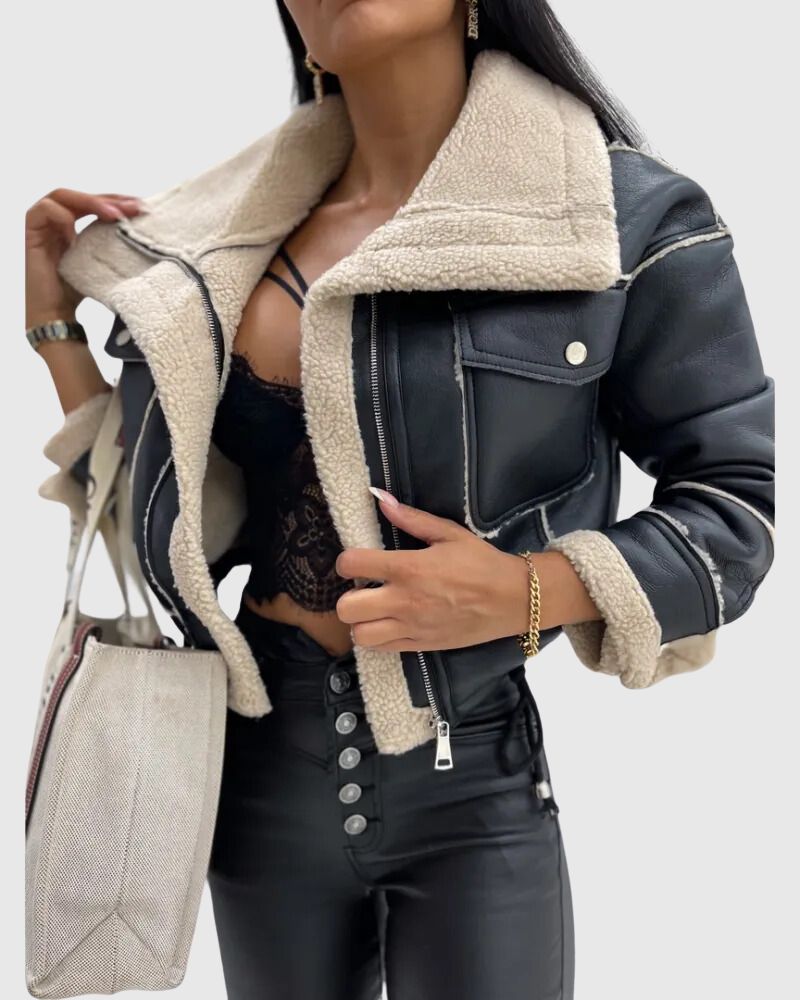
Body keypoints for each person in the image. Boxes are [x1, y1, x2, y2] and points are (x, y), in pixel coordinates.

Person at [25, 1, 775, 997]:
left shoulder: (617, 220)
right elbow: (161, 518)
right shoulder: (210, 244)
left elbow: (732, 512)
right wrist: (56, 333)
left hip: (469, 783)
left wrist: (529, 591)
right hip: (253, 776)